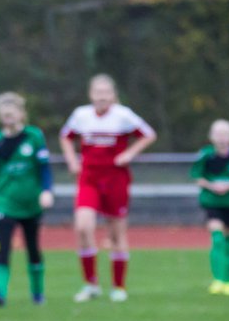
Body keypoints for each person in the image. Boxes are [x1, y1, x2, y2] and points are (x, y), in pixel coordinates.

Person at [59, 74, 157, 302]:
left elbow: (148, 134)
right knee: (83, 227)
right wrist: (72, 160)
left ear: (113, 95)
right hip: (89, 178)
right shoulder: (81, 115)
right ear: (91, 94)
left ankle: (118, 286)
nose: (102, 97)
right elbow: (65, 137)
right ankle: (91, 284)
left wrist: (129, 154)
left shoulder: (123, 115)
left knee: (116, 233)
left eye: (106, 92)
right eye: (98, 92)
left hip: (115, 179)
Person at [0, 92, 54, 306]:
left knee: (33, 248)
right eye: (4, 114)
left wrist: (46, 190)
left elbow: (44, 168)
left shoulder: (34, 137)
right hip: (5, 202)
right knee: (3, 248)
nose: (8, 117)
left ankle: (38, 294)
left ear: (22, 114)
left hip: (31, 203)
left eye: (12, 113)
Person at [190, 119, 229, 295]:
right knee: (217, 238)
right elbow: (196, 176)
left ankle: (228, 281)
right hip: (212, 203)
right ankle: (217, 280)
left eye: (225, 134)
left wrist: (228, 186)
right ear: (211, 136)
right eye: (218, 134)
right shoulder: (205, 155)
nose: (221, 138)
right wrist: (212, 186)